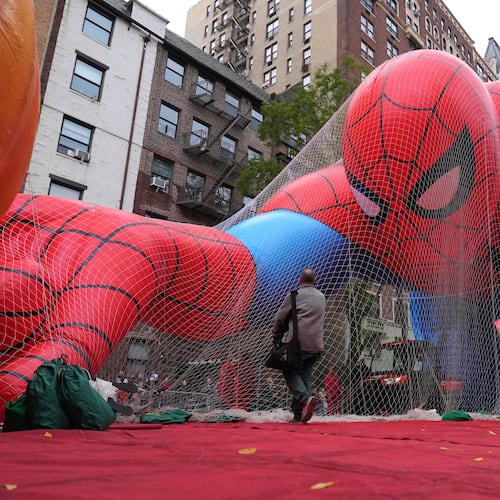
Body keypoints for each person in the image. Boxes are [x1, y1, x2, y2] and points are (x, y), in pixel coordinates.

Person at [271, 268, 326, 423]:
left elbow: (279, 319)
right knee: (305, 375)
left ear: (299, 281)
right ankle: (298, 415)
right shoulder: (321, 297)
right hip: (316, 345)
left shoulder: (294, 295)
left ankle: (305, 398)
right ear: (315, 281)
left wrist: (276, 336)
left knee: (289, 370)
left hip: (297, 344)